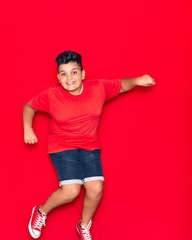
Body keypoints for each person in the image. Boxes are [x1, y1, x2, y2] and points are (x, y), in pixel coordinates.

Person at [23, 50, 155, 239]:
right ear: (58, 78)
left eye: (74, 72)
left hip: (89, 145)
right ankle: (41, 211)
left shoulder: (98, 87)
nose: (69, 78)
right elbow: (29, 106)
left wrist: (137, 80)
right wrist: (28, 128)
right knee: (71, 191)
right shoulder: (52, 95)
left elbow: (122, 85)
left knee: (96, 188)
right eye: (64, 73)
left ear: (83, 74)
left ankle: (83, 225)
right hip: (62, 145)